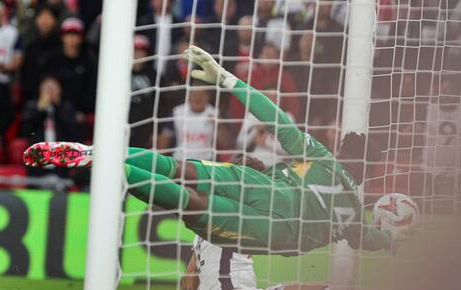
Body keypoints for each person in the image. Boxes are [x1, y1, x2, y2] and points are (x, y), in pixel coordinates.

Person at [26, 46, 415, 256]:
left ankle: (97, 152)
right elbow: (369, 239)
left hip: (264, 186)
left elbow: (277, 119)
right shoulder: (351, 210)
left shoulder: (320, 156)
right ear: (367, 173)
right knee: (191, 203)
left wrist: (228, 78)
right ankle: (112, 170)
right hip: (281, 231)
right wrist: (391, 242)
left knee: (180, 169)